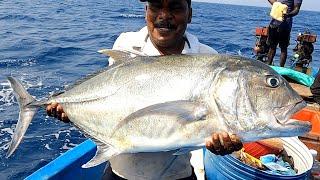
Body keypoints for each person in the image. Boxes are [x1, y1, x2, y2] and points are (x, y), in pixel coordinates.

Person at [46, 0, 243, 179]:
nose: (164, 15)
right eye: (156, 6)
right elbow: (111, 102)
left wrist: (221, 143)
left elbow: (204, 128)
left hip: (176, 175)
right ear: (146, 11)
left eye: (175, 7)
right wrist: (70, 108)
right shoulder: (127, 44)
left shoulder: (208, 58)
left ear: (189, 14)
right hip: (121, 174)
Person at [266, 0, 303, 67]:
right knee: (272, 47)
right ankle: (268, 66)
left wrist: (288, 15)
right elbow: (274, 3)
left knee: (283, 48)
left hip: (286, 25)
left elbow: (296, 9)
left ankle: (281, 68)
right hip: (274, 23)